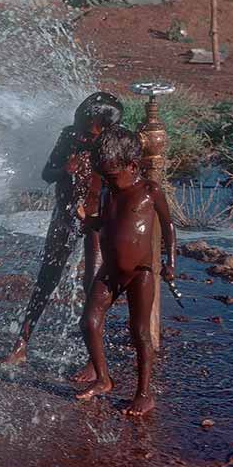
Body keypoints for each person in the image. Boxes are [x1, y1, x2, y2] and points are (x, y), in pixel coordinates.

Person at [0, 92, 123, 368]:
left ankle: (94, 361)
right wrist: (65, 170)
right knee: (47, 277)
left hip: (98, 222)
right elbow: (47, 174)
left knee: (93, 288)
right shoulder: (69, 136)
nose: (80, 135)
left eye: (86, 132)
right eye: (78, 126)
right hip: (66, 214)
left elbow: (123, 186)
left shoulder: (113, 145)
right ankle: (21, 345)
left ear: (105, 130)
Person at [75, 126, 176, 416]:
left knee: (139, 331)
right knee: (89, 323)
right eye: (104, 176)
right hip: (110, 271)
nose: (108, 180)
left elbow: (168, 227)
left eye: (112, 175)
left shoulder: (149, 191)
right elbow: (104, 223)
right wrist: (88, 221)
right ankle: (104, 379)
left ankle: (144, 393)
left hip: (140, 272)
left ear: (132, 166)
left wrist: (170, 263)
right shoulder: (109, 191)